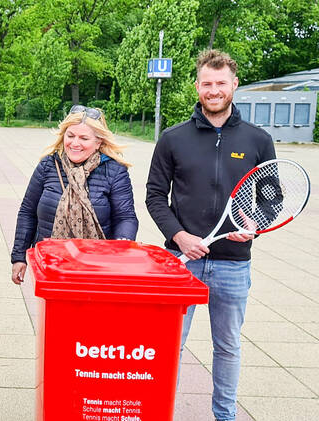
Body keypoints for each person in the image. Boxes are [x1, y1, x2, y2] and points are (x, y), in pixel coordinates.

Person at [145, 49, 275, 421]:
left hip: (234, 264)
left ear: (234, 85)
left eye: (221, 83)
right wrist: (180, 236)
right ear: (197, 86)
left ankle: (225, 416)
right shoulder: (173, 138)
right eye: (207, 83)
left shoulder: (257, 139)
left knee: (229, 347)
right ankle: (159, 412)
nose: (214, 90)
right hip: (182, 262)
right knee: (169, 347)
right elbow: (155, 195)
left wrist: (255, 226)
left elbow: (272, 198)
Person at [10, 105, 138, 284]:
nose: (75, 143)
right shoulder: (48, 166)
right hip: (50, 264)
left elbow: (126, 217)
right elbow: (27, 212)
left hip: (98, 268)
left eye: (84, 138)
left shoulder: (115, 171)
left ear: (98, 141)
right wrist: (19, 257)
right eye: (70, 136)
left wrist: (122, 245)